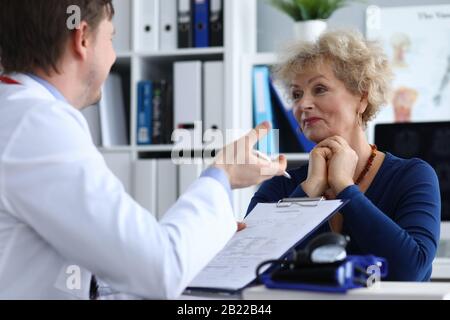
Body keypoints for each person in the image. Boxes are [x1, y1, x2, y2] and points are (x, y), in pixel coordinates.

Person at [0, 0, 287, 299]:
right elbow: (159, 270)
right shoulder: (37, 124)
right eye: (110, 39)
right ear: (82, 38)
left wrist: (205, 237)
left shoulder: (18, 112)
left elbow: (79, 273)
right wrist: (222, 174)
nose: (112, 55)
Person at [247, 30, 441, 281]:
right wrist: (308, 192)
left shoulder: (413, 176)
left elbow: (411, 271)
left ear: (362, 97)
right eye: (296, 94)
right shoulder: (280, 186)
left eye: (319, 89)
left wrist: (345, 188)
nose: (302, 104)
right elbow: (247, 270)